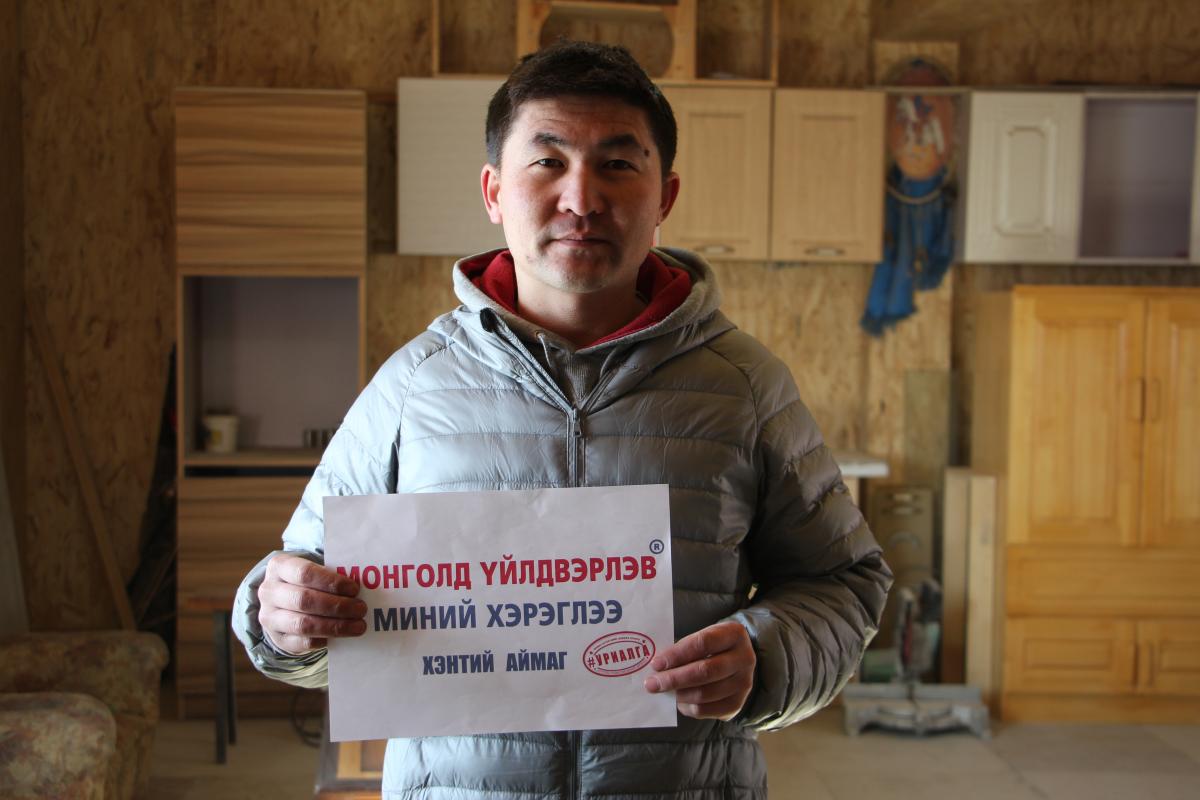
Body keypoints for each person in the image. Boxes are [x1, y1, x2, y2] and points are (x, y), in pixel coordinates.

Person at [233, 40, 891, 799]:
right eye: (547, 162)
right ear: (493, 191)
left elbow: (845, 583)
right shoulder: (412, 387)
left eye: (618, 164)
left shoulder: (744, 386)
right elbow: (300, 582)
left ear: (665, 196)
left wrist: (766, 655)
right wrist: (280, 616)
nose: (581, 199)